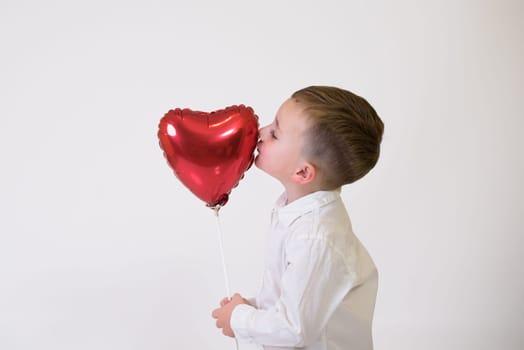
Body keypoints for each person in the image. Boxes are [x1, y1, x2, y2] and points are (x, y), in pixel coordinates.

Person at [211, 86, 384, 350]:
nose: (260, 132)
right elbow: (293, 294)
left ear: (303, 173)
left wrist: (239, 318)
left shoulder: (316, 236)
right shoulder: (295, 211)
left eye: (275, 134)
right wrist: (253, 308)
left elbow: (293, 330)